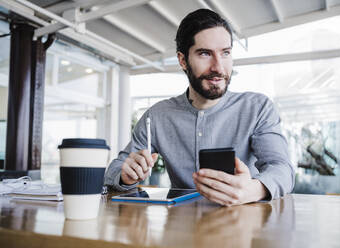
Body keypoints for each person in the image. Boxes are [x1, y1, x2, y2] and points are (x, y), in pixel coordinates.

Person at [104, 9, 295, 206]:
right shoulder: (157, 116)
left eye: (226, 53)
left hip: (244, 225)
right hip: (181, 228)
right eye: (205, 53)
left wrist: (252, 190)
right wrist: (126, 175)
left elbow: (282, 169)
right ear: (182, 60)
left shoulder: (257, 109)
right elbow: (114, 171)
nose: (218, 67)